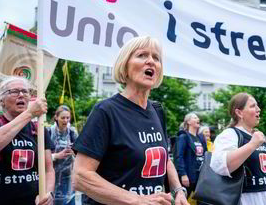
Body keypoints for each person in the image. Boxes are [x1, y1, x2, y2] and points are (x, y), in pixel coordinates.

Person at [72, 36, 188, 205]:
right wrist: (137, 200)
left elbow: (164, 157)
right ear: (125, 66)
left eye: (156, 58)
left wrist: (178, 191)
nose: (151, 61)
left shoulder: (157, 110)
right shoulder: (106, 111)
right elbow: (80, 177)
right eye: (142, 55)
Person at [0, 76, 55, 205]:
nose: (21, 95)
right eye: (14, 91)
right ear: (2, 101)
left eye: (25, 91)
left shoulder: (39, 129)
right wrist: (30, 114)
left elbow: (48, 169)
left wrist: (48, 194)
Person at [210, 92, 266, 205]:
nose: (258, 109)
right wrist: (252, 144)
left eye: (257, 105)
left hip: (265, 197)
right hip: (244, 199)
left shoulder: (257, 136)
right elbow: (220, 165)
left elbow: (264, 172)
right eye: (253, 106)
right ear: (239, 112)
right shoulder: (230, 134)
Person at [48, 105, 77, 205]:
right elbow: (40, 157)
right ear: (56, 117)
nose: (65, 120)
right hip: (51, 178)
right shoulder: (48, 132)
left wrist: (74, 153)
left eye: (68, 118)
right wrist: (56, 155)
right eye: (63, 117)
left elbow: (80, 156)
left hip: (68, 179)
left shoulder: (72, 133)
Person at [175, 113, 207, 199]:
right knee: (183, 200)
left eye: (198, 117)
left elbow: (206, 155)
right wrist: (183, 174)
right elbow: (179, 156)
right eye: (195, 118)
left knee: (203, 201)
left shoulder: (201, 138)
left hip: (200, 176)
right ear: (188, 122)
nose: (198, 119)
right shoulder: (183, 137)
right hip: (189, 176)